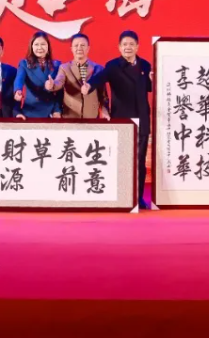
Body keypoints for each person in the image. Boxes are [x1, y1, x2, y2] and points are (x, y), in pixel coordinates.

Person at [83, 30, 153, 209]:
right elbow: (100, 78)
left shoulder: (145, 65)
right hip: (122, 119)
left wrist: (154, 79)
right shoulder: (113, 66)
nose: (128, 47)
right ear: (119, 47)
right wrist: (89, 86)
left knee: (140, 160)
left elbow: (152, 87)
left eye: (131, 44)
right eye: (125, 44)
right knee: (122, 159)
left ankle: (138, 197)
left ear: (137, 46)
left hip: (142, 118)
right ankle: (121, 195)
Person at [51, 33, 108, 119]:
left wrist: (104, 109)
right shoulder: (64, 68)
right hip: (70, 117)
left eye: (82, 45)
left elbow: (103, 95)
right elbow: (59, 82)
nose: (79, 48)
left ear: (88, 48)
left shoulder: (98, 69)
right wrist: (52, 84)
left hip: (91, 117)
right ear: (71, 49)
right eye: (76, 45)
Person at [13, 31, 63, 119]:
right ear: (31, 47)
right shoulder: (24, 64)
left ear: (48, 46)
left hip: (51, 113)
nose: (39, 47)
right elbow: (19, 79)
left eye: (43, 44)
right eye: (36, 44)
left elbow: (60, 92)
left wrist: (57, 110)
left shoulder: (57, 65)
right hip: (31, 111)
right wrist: (18, 90)